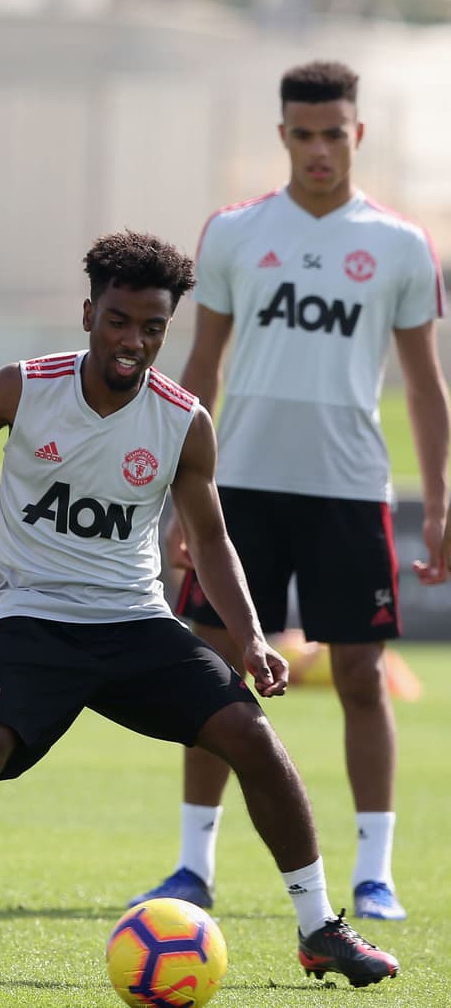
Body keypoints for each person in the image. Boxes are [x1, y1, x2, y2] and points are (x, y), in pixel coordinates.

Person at [0, 231, 401, 989]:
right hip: (34, 617)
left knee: (251, 735)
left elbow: (211, 540)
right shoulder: (23, 387)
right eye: (118, 320)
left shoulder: (184, 420)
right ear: (88, 315)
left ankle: (318, 929)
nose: (133, 341)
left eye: (152, 327)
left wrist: (250, 638)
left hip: (135, 621)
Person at [129, 60, 449, 923]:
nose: (318, 150)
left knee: (360, 677)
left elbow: (425, 384)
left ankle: (374, 875)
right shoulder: (235, 232)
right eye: (303, 135)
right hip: (238, 488)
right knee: (212, 669)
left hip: (349, 488)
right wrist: (178, 493)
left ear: (358, 134)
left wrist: (440, 498)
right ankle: (192, 866)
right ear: (282, 136)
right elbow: (201, 367)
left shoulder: (399, 244)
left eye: (333, 134)